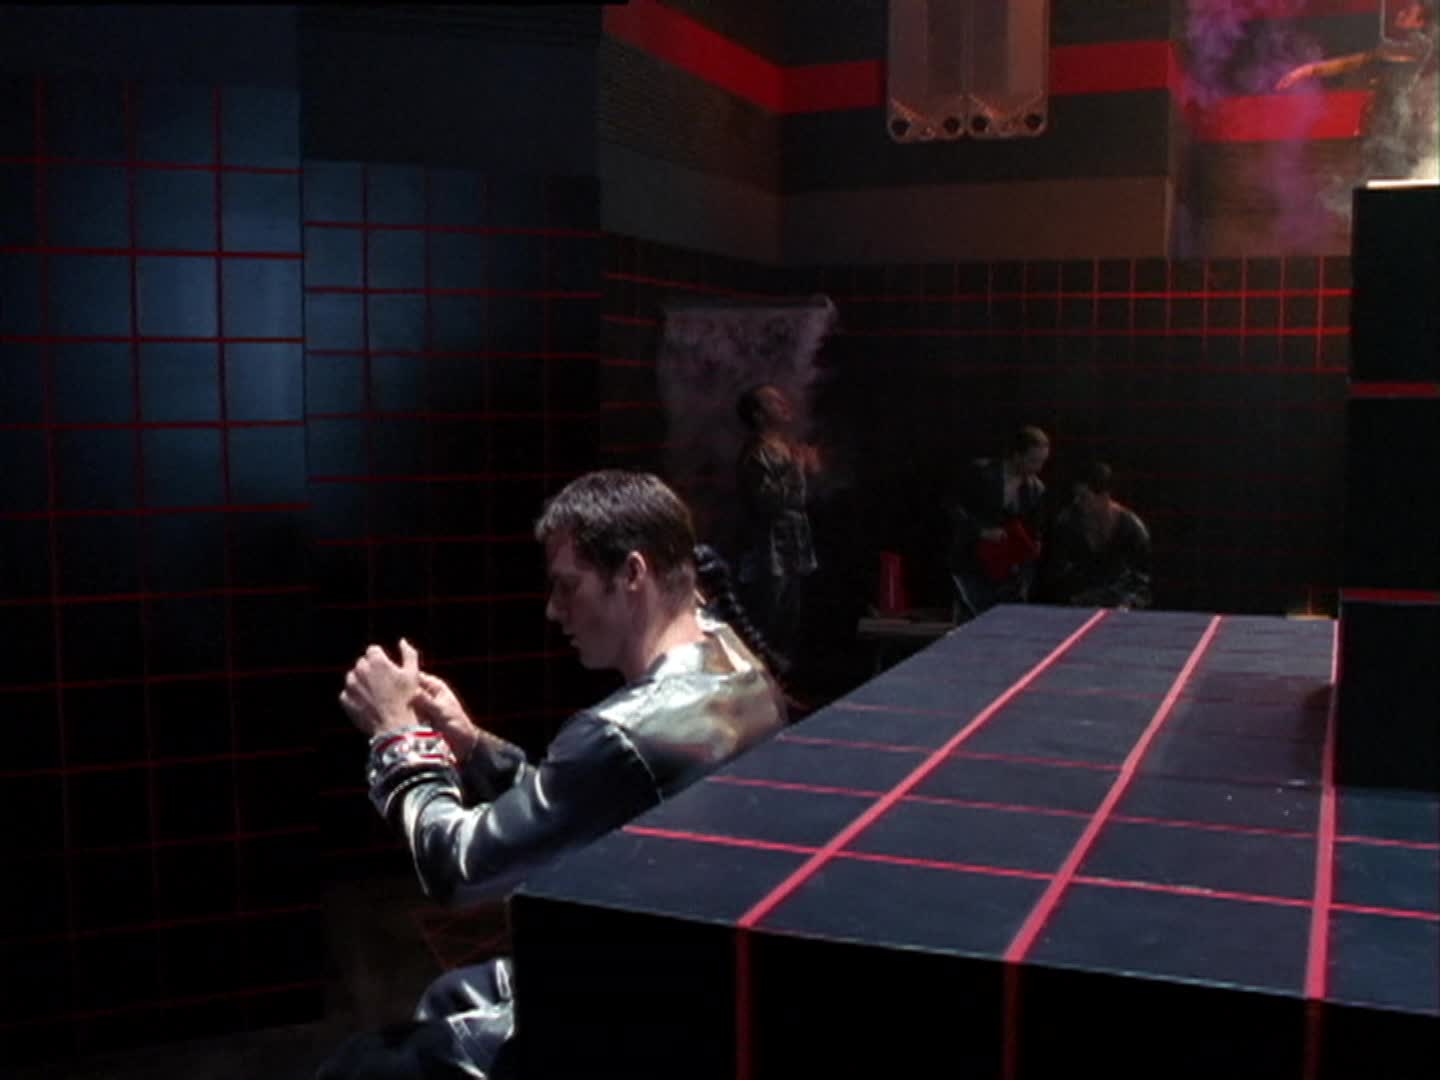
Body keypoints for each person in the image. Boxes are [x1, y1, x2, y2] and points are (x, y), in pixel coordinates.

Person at [319, 470, 787, 1080]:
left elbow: (457, 867)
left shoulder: (626, 732)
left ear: (633, 574)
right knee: (450, 995)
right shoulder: (736, 665)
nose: (553, 609)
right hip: (697, 982)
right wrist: (472, 745)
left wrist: (396, 734)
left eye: (568, 586)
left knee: (358, 1066)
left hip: (636, 1019)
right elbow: (584, 802)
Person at [1275, 1, 1437, 181]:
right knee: (1371, 172)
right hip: (1378, 118)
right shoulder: (1389, 50)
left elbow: (1381, 53)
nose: (1400, 14)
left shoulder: (1421, 46)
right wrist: (1307, 70)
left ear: (1419, 23)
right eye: (1402, 10)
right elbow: (1349, 63)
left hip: (1396, 121)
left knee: (1390, 171)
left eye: (1407, 13)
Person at [734, 383, 821, 667]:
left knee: (789, 617)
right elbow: (767, 502)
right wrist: (796, 468)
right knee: (768, 616)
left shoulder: (787, 447)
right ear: (759, 415)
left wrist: (811, 468)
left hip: (792, 542)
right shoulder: (757, 453)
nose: (784, 404)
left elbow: (805, 495)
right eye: (773, 401)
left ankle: (783, 674)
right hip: (769, 547)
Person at [947, 425, 1051, 620]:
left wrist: (1033, 545)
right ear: (1017, 455)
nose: (1038, 468)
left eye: (1041, 462)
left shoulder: (1035, 490)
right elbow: (952, 507)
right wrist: (981, 531)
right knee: (971, 621)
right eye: (1033, 461)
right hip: (971, 564)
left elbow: (1035, 528)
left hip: (1006, 571)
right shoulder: (981, 473)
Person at [1037, 462, 1153, 610]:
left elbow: (1141, 582)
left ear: (1104, 496)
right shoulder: (1066, 525)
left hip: (1119, 606)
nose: (1077, 502)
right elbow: (1055, 574)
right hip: (1076, 605)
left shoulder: (1132, 530)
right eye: (1076, 496)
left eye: (1084, 497)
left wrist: (1125, 603)